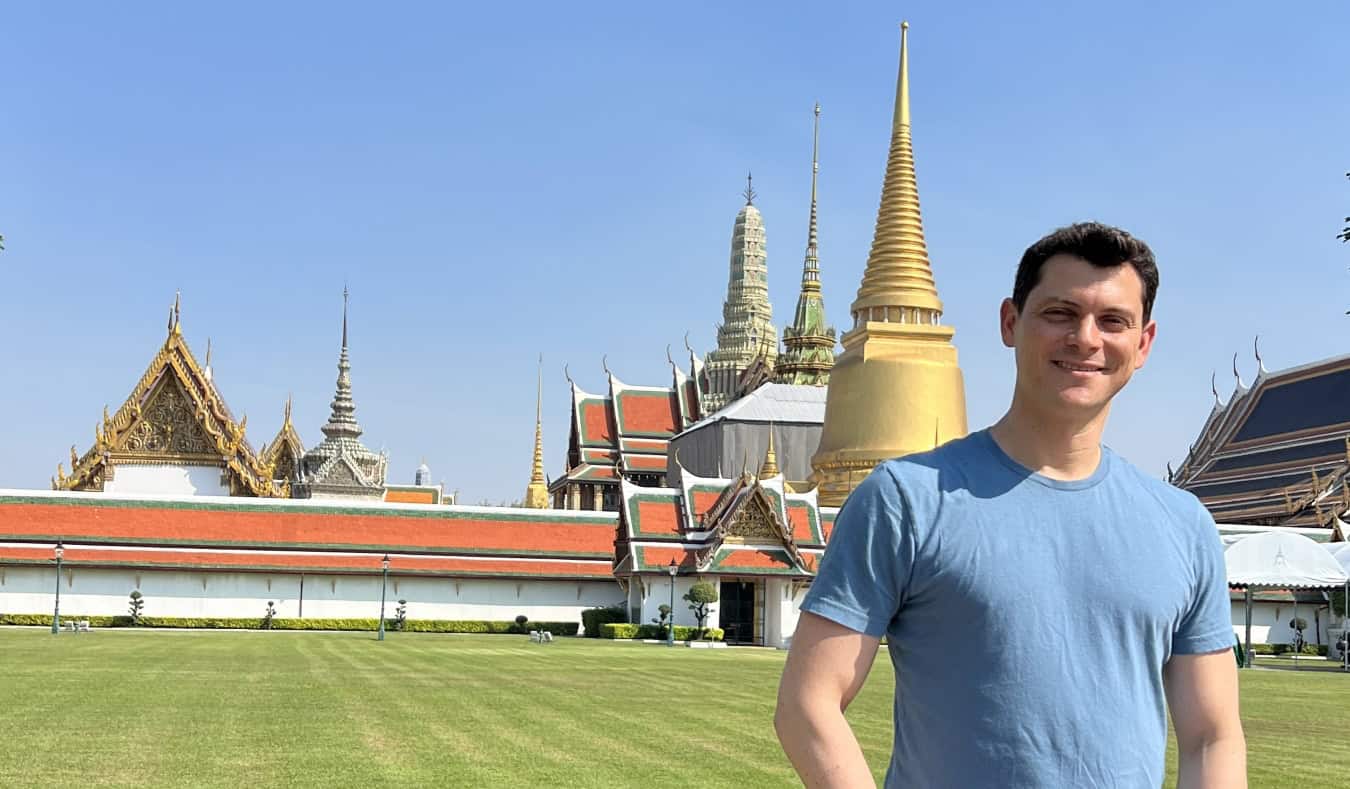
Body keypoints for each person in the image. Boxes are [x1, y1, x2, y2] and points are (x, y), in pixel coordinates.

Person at [775, 222, 1246, 787]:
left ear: (1142, 344)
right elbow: (808, 705)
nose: (1086, 339)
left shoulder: (1183, 525)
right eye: (1060, 314)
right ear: (1009, 323)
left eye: (1112, 321)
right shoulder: (907, 500)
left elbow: (1211, 735)